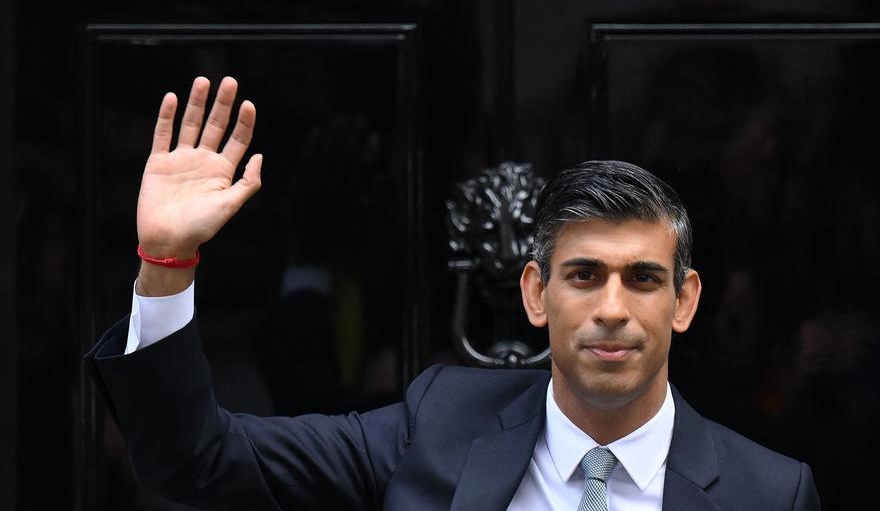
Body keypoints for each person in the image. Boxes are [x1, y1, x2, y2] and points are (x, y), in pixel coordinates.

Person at [87, 76, 821, 510]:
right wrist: (168, 260)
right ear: (536, 294)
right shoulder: (436, 428)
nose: (611, 308)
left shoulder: (768, 491)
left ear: (685, 301)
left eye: (644, 279)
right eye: (584, 275)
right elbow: (196, 459)